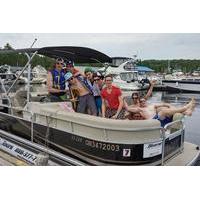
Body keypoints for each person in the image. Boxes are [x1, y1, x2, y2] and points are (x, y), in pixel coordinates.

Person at [127, 97, 195, 127]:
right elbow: (128, 108)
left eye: (144, 101)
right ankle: (185, 108)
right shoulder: (140, 109)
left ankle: (187, 112)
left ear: (146, 101)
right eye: (141, 101)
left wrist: (169, 105)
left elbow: (164, 104)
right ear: (139, 102)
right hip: (154, 121)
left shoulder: (152, 105)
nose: (143, 102)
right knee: (163, 111)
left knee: (164, 108)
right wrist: (122, 100)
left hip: (160, 119)